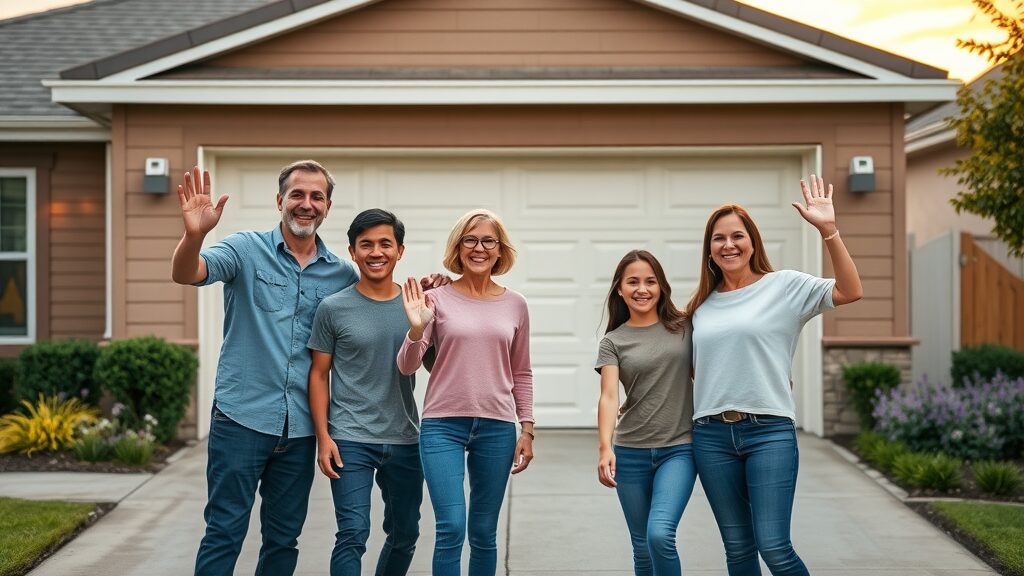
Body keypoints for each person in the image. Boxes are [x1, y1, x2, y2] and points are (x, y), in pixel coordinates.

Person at [173, 161, 356, 575]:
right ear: (279, 201)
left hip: (301, 428)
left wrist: (430, 291)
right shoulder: (245, 249)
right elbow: (187, 273)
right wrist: (194, 235)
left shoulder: (342, 275)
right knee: (224, 531)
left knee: (283, 539)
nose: (306, 204)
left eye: (317, 196)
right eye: (297, 194)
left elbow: (376, 307)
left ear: (327, 207)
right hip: (241, 419)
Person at [685, 175, 863, 576]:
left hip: (768, 431)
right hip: (711, 436)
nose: (728, 245)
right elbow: (696, 369)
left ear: (753, 242)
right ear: (709, 249)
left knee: (774, 547)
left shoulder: (784, 286)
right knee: (738, 549)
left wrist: (829, 230)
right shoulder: (701, 306)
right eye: (718, 238)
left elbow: (850, 291)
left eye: (737, 236)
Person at [396, 208, 535, 576]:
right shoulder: (436, 298)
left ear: (500, 250)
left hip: (497, 427)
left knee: (484, 532)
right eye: (470, 240)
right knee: (451, 528)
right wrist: (416, 329)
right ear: (457, 248)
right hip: (443, 425)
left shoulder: (516, 304)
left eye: (488, 241)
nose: (479, 248)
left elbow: (521, 371)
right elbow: (406, 366)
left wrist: (527, 428)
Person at [307, 208, 423, 576]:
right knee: (352, 534)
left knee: (405, 533)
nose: (376, 252)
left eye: (385, 244)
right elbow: (318, 375)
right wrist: (323, 437)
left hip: (405, 438)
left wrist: (422, 326)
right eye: (366, 244)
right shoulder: (333, 308)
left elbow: (437, 366)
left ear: (399, 251)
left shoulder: (417, 305)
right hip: (350, 438)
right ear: (353, 252)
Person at [595, 250, 696, 576]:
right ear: (620, 289)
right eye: (633, 282)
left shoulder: (685, 328)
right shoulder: (613, 341)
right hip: (630, 451)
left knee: (660, 535)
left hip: (679, 449)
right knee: (641, 547)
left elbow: (714, 368)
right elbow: (609, 396)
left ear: (662, 287)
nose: (642, 289)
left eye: (650, 281)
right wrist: (605, 447)